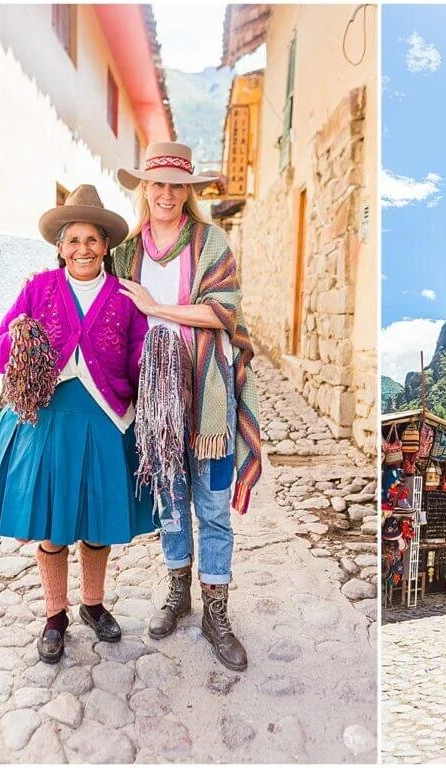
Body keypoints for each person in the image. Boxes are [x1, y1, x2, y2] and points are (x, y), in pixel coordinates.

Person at [0, 186, 156, 664]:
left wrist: (158, 376)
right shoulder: (38, 289)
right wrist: (18, 342)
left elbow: (139, 357)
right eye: (73, 240)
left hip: (104, 419)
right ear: (60, 246)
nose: (82, 249)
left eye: (92, 240)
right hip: (50, 420)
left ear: (106, 246)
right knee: (54, 525)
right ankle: (55, 614)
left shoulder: (123, 297)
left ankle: (93, 605)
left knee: (96, 522)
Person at [108, 142, 264, 672]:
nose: (167, 194)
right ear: (144, 189)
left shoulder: (211, 242)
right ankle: (179, 594)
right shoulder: (126, 253)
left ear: (189, 192)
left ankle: (217, 613)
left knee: (213, 509)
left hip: (208, 398)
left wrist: (157, 307)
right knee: (171, 502)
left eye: (177, 186)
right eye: (157, 184)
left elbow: (224, 312)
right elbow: (99, 303)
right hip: (155, 400)